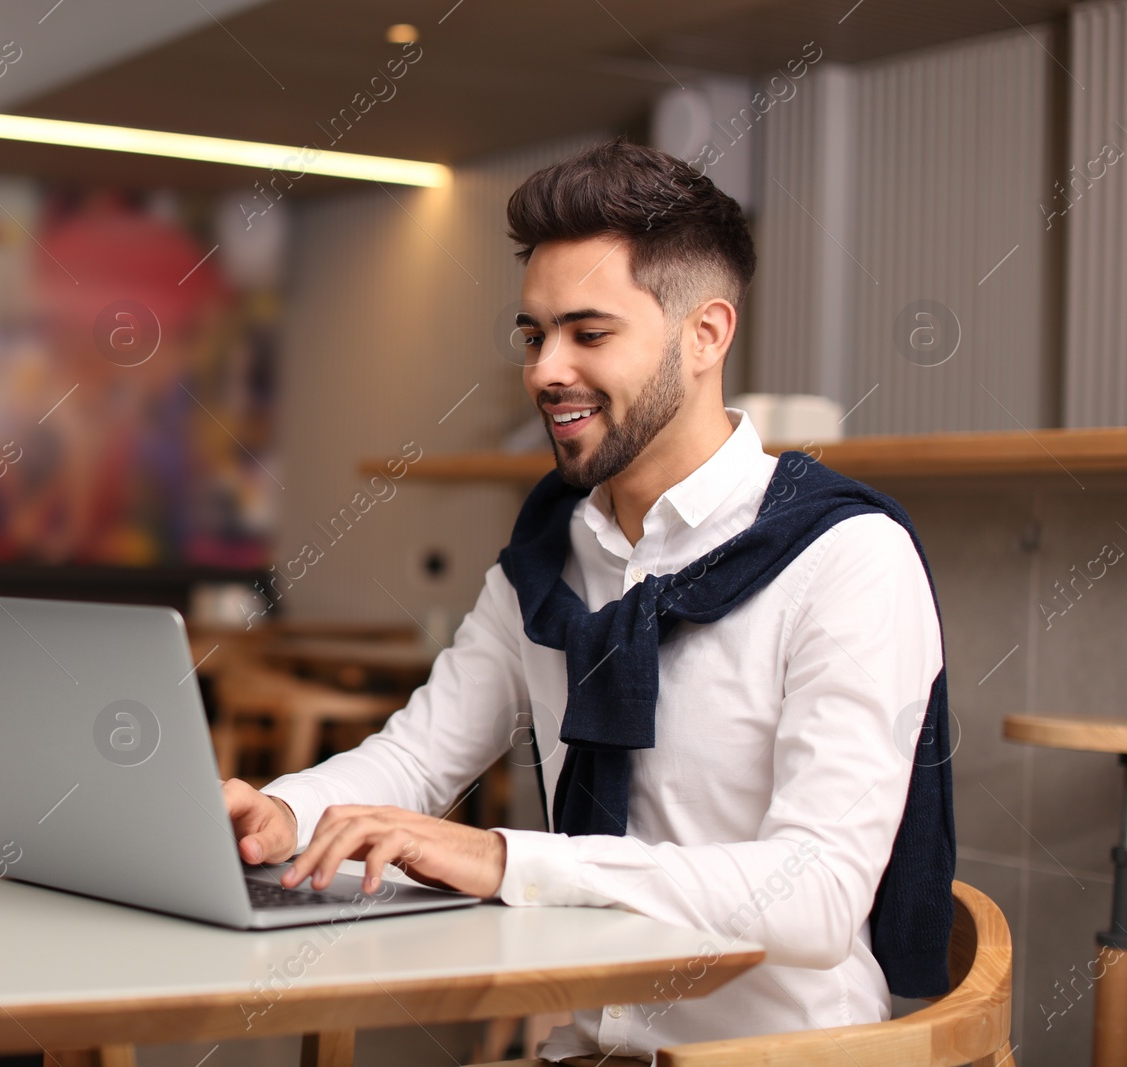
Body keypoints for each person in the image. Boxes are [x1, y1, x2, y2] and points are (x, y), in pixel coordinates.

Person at [221, 139, 953, 1061]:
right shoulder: (547, 554)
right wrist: (286, 813)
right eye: (534, 334)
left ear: (707, 334)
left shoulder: (848, 559)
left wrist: (506, 859)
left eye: (588, 333)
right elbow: (417, 757)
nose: (543, 370)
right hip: (587, 1045)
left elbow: (814, 895)